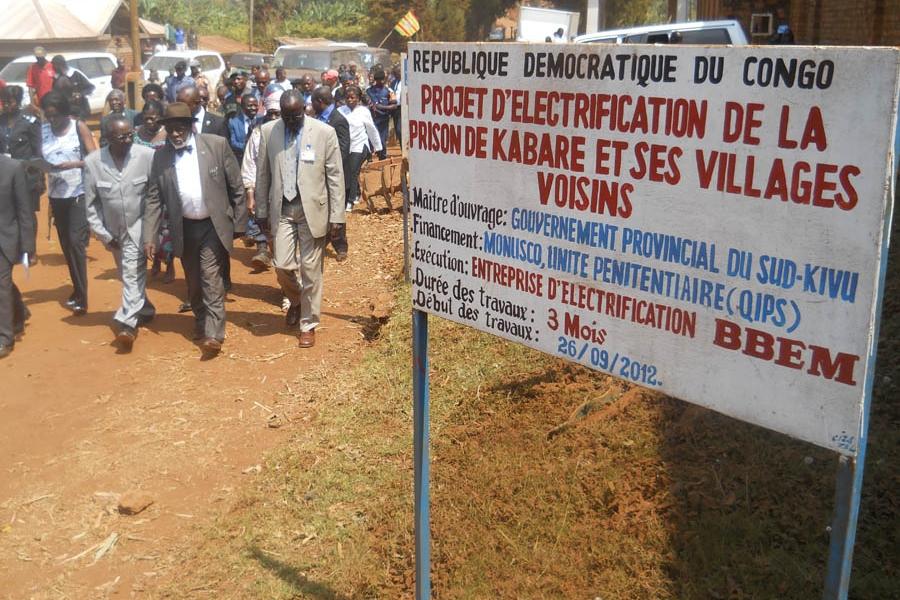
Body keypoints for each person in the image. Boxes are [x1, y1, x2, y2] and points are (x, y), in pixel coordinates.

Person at [143, 102, 247, 357]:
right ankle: (201, 320)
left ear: (190, 126)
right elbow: (154, 198)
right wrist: (150, 235)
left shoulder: (216, 145)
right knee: (193, 280)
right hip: (183, 227)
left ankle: (214, 334)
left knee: (211, 277)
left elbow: (236, 186)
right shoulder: (161, 157)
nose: (175, 134)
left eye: (180, 128)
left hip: (212, 225)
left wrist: (239, 223)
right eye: (170, 129)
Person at [255, 90, 345, 348]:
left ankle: (308, 324)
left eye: (296, 115)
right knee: (282, 265)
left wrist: (337, 216)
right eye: (287, 116)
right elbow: (263, 175)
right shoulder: (268, 132)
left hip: (312, 210)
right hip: (282, 209)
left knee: (311, 270)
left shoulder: (324, 133)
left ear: (304, 109)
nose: (292, 121)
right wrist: (261, 210)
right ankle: (295, 300)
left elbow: (335, 176)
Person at [84, 115, 157, 350]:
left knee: (132, 272)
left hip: (140, 227)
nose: (127, 140)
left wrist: (153, 230)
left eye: (130, 135)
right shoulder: (93, 163)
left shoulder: (146, 156)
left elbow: (155, 195)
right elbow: (91, 206)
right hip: (113, 232)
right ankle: (145, 308)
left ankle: (127, 323)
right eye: (121, 137)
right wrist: (103, 234)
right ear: (107, 138)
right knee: (126, 274)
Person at [40, 91, 97, 315]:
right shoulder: (44, 130)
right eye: (49, 116)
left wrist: (74, 164)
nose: (52, 120)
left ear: (65, 112)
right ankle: (76, 289)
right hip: (57, 195)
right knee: (66, 245)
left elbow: (95, 158)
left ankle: (83, 297)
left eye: (56, 115)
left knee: (75, 242)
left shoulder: (78, 127)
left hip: (78, 192)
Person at [241, 91, 282, 271]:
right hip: (261, 186)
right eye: (270, 113)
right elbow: (249, 163)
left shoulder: (291, 132)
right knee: (260, 217)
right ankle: (262, 250)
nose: (273, 118)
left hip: (283, 188)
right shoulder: (258, 133)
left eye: (277, 114)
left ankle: (281, 255)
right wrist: (250, 193)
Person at [0, 154, 35, 358]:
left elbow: (24, 210)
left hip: (5, 238)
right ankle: (19, 310)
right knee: (4, 285)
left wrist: (28, 247)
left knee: (1, 285)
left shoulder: (13, 168)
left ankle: (5, 338)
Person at [311, 86, 349, 260]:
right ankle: (321, 240)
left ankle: (340, 246)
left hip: (333, 172)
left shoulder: (338, 120)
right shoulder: (317, 119)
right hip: (318, 173)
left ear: (320, 102)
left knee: (336, 208)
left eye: (313, 102)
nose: (311, 105)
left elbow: (343, 148)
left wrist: (329, 165)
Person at [0, 86, 43, 229]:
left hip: (26, 176)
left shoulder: (30, 122)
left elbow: (38, 151)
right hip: (4, 177)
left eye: (10, 102)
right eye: (4, 101)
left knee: (27, 213)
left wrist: (39, 179)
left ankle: (29, 243)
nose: (6, 105)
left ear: (18, 101)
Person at [339, 85, 381, 210]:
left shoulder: (364, 111)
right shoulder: (340, 111)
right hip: (346, 146)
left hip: (360, 145)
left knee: (353, 171)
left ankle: (350, 200)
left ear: (358, 98)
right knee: (347, 171)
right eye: (347, 97)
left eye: (353, 97)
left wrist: (377, 146)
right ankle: (356, 191)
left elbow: (371, 129)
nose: (350, 100)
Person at [51, 55, 94, 120]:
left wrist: (80, 94)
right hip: (65, 112)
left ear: (61, 64)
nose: (53, 68)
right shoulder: (56, 78)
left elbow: (90, 87)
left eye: (54, 65)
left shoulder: (76, 74)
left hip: (79, 110)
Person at [365, 67, 395, 160]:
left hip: (384, 120)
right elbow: (369, 103)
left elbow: (394, 105)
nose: (381, 82)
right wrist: (382, 107)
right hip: (372, 119)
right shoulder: (369, 91)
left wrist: (381, 107)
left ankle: (382, 157)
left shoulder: (389, 91)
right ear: (375, 80)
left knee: (382, 140)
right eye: (378, 80)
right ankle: (369, 157)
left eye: (382, 79)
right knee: (371, 138)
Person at [228, 94, 260, 165]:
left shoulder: (262, 121)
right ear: (242, 107)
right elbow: (233, 143)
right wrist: (247, 147)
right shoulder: (234, 123)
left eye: (255, 105)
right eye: (250, 105)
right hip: (242, 161)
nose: (253, 108)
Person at [388, 63, 402, 145]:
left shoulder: (407, 82)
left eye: (398, 72)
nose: (396, 74)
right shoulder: (393, 82)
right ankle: (403, 148)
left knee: (400, 130)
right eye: (395, 73)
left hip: (403, 108)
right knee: (397, 130)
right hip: (395, 109)